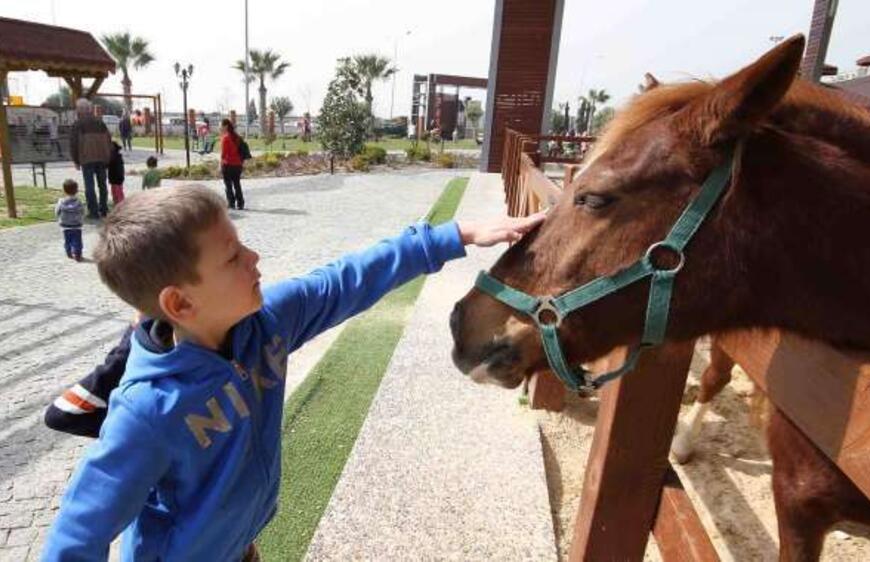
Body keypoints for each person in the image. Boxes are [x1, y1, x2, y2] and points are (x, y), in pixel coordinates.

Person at [41, 185, 544, 561]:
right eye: (234, 257)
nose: (255, 259)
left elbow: (346, 280)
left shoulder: (267, 325)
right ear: (180, 302)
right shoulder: (149, 411)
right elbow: (78, 533)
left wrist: (458, 234)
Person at [70, 99, 112, 219]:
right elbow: (109, 140)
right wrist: (108, 156)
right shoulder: (100, 123)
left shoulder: (78, 124)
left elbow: (73, 144)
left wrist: (76, 160)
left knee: (89, 186)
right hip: (102, 158)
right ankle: (103, 209)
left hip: (86, 158)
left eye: (78, 108)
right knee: (102, 185)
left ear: (81, 110)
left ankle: (93, 211)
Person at [55, 179, 84, 261]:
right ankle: (77, 253)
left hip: (65, 225)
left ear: (64, 190)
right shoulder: (78, 201)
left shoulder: (61, 201)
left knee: (67, 239)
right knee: (77, 240)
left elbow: (57, 211)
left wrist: (58, 217)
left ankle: (68, 252)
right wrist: (81, 218)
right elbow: (82, 211)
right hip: (77, 225)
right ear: (77, 190)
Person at [220, 118, 245, 210]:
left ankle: (231, 202)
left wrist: (220, 164)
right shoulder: (237, 137)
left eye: (221, 126)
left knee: (228, 184)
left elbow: (223, 154)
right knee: (237, 184)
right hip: (238, 164)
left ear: (226, 126)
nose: (220, 127)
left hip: (228, 164)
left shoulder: (225, 138)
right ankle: (240, 203)